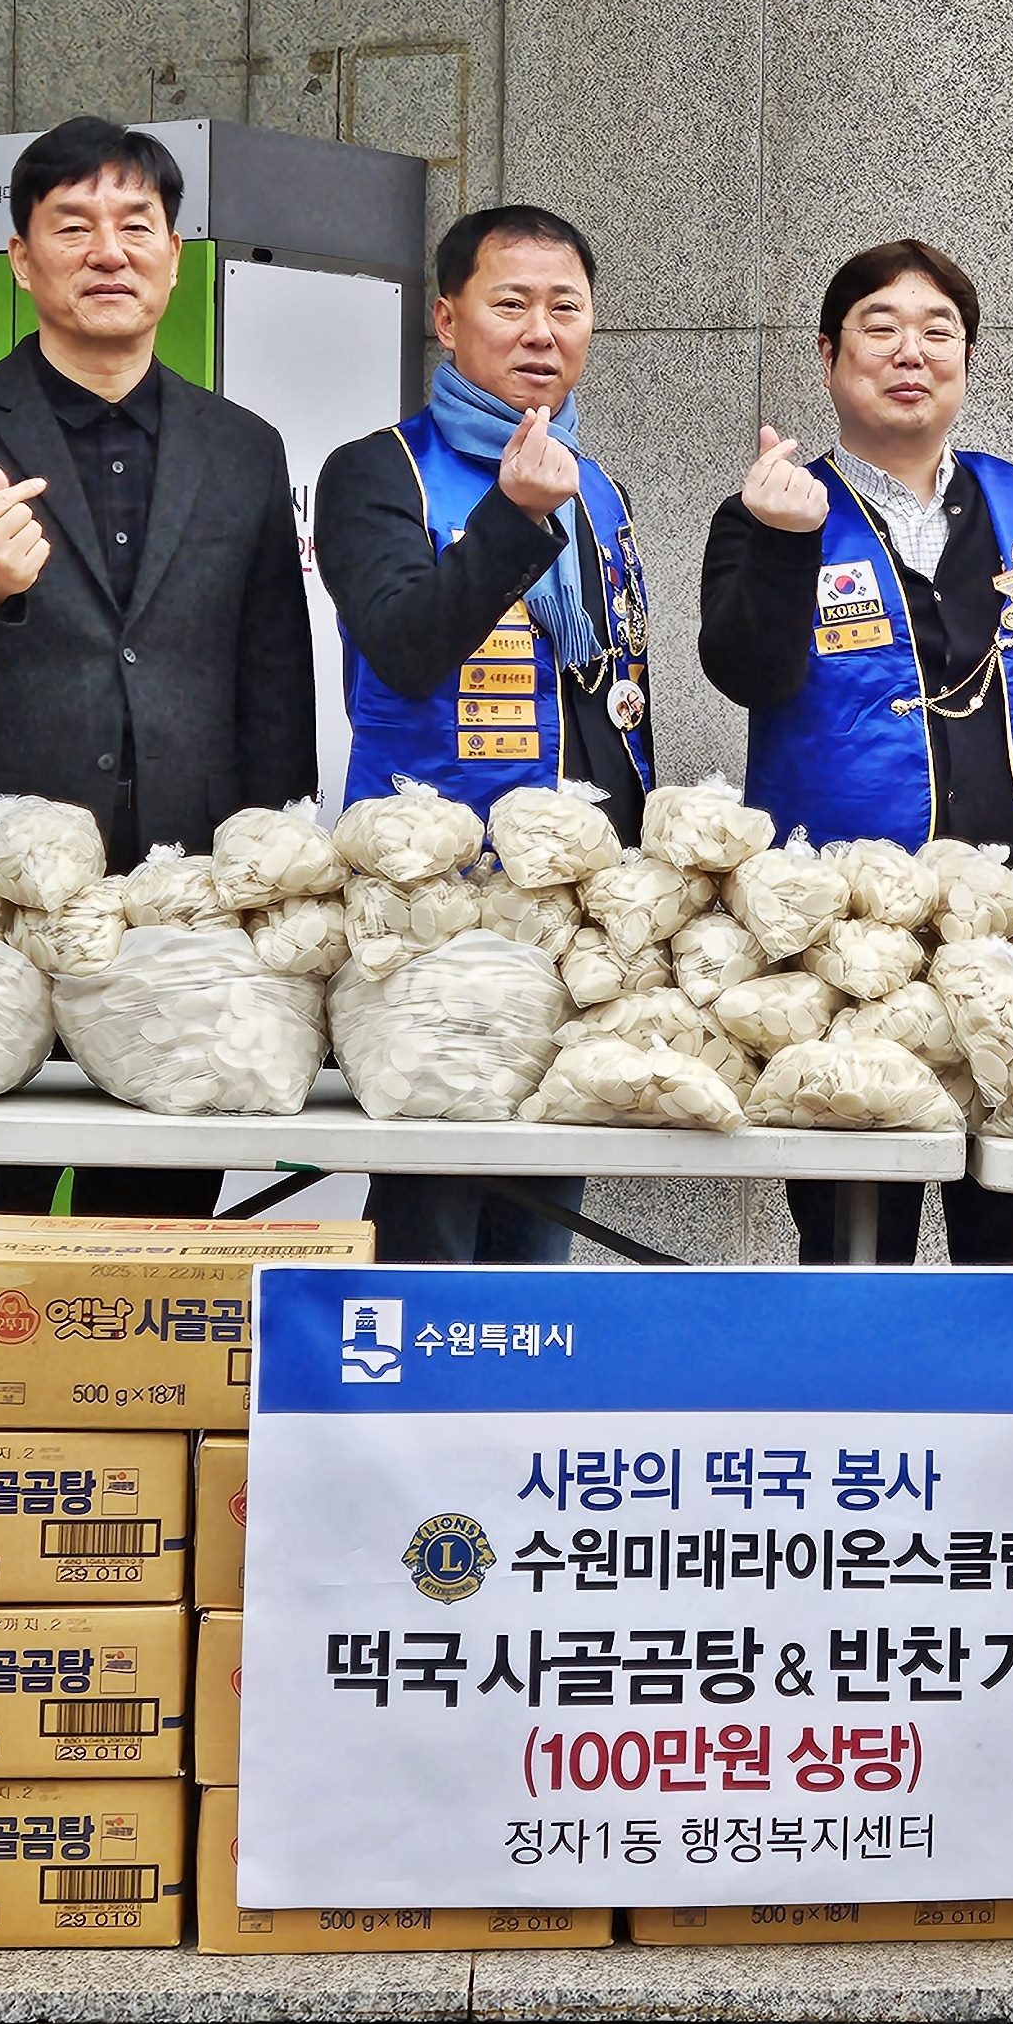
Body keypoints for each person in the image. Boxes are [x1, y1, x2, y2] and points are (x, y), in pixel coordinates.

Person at [0, 115, 317, 1354]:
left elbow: (273, 680)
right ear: (20, 258)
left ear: (171, 256)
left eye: (135, 225)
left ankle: (131, 1497)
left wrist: (272, 884)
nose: (108, 251)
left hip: (176, 912)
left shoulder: (242, 449)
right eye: (73, 227)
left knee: (148, 1263)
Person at [701, 240, 1013, 1263]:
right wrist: (786, 542)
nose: (910, 352)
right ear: (829, 356)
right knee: (854, 1238)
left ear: (967, 361)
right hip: (846, 943)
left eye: (939, 333)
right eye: (879, 329)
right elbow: (744, 670)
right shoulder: (766, 505)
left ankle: (1010, 1423)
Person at [318, 204, 655, 1264]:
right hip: (433, 908)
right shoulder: (378, 471)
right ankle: (410, 1417)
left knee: (541, 1206)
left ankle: (514, 1412)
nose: (540, 331)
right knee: (431, 1208)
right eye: (510, 303)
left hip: (569, 908)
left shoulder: (596, 484)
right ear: (448, 319)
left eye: (566, 307)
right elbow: (407, 644)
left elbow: (615, 693)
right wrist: (512, 515)